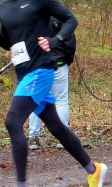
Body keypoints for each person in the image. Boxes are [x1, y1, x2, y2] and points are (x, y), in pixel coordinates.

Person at [0, 0, 107, 187]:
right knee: (56, 126)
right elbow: (9, 43)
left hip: (41, 71)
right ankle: (93, 169)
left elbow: (71, 20)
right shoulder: (4, 7)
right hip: (23, 73)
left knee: (12, 122)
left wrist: (55, 40)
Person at [27, 16, 76, 150]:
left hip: (38, 65)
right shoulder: (61, 17)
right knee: (61, 100)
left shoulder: (31, 17)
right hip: (58, 63)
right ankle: (63, 139)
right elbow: (70, 42)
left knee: (36, 100)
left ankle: (33, 138)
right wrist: (66, 60)